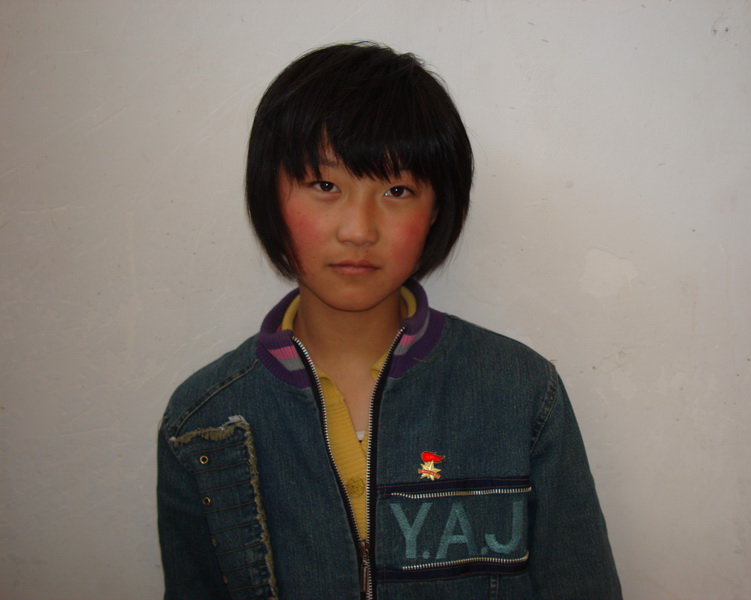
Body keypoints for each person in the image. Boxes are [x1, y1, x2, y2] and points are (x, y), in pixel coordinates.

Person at [157, 42, 622, 599]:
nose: (358, 229)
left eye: (397, 190)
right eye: (325, 185)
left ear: (437, 209)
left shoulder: (521, 393)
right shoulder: (203, 421)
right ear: (269, 194)